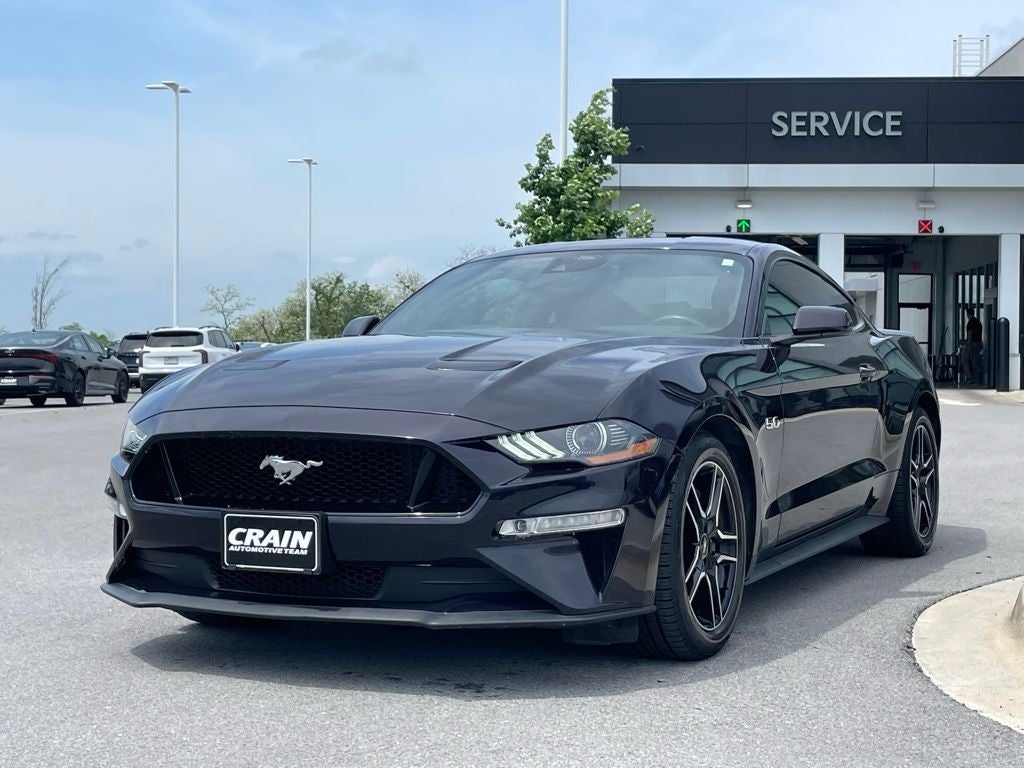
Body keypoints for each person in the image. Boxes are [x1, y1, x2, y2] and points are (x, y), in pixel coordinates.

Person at [964, 308, 984, 385]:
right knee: (976, 361)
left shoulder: (970, 323)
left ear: (968, 314)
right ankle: (977, 378)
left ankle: (970, 377)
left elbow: (970, 335)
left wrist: (967, 346)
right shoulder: (978, 322)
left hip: (972, 344)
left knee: (965, 360)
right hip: (979, 343)